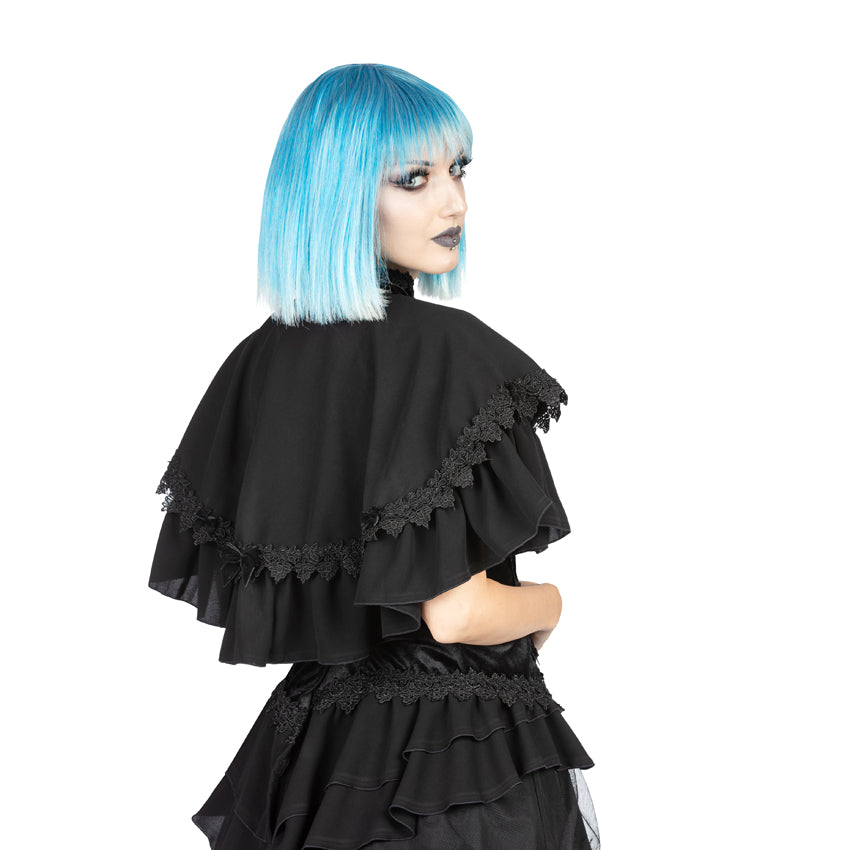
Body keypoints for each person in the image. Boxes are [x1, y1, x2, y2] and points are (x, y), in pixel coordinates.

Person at [149, 63, 600, 850]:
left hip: (315, 761)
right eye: (414, 178)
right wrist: (550, 604)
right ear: (339, 194)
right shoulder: (449, 356)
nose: (454, 203)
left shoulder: (253, 368)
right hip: (458, 766)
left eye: (458, 171)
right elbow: (456, 613)